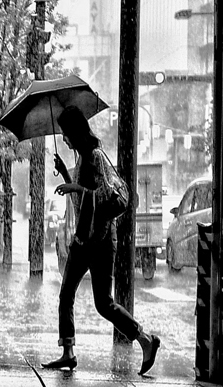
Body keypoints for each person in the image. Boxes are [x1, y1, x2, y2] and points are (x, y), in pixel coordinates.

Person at [42, 105, 160, 374]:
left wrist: (76, 186)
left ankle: (145, 339)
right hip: (84, 239)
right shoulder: (84, 159)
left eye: (64, 132)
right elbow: (81, 202)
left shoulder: (95, 157)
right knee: (66, 293)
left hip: (103, 240)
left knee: (103, 303)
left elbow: (106, 196)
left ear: (75, 131)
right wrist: (67, 174)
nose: (63, 138)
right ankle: (68, 352)